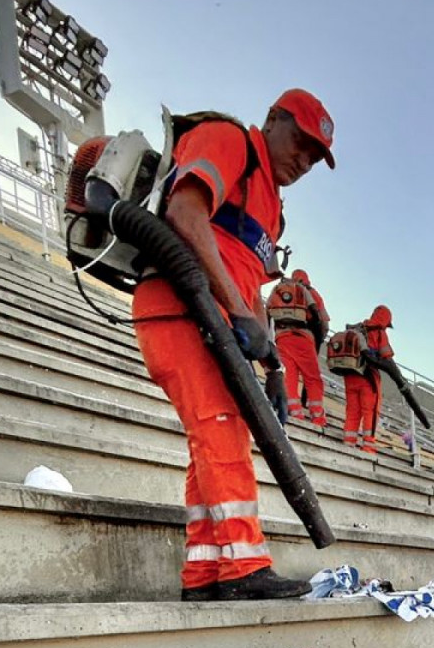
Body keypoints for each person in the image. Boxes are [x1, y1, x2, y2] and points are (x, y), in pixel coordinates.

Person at [131, 89, 335, 601]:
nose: (305, 160)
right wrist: (239, 314)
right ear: (272, 120)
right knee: (219, 431)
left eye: (316, 156)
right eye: (301, 143)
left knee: (212, 441)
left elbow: (253, 285)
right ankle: (246, 565)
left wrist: (274, 366)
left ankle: (204, 573)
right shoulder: (229, 142)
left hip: (224, 325)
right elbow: (185, 213)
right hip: (181, 310)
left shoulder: (272, 203)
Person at [267, 268, 330, 427]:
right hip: (303, 337)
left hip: (282, 336)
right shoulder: (309, 292)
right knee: (312, 377)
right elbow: (322, 320)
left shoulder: (279, 289)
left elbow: (267, 311)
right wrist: (319, 338)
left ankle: (295, 412)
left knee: (290, 376)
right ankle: (317, 417)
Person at [333, 303, 396, 453]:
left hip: (351, 376)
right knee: (370, 411)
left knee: (353, 410)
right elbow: (387, 357)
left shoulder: (357, 329)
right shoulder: (378, 332)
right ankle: (368, 445)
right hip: (368, 377)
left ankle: (349, 442)